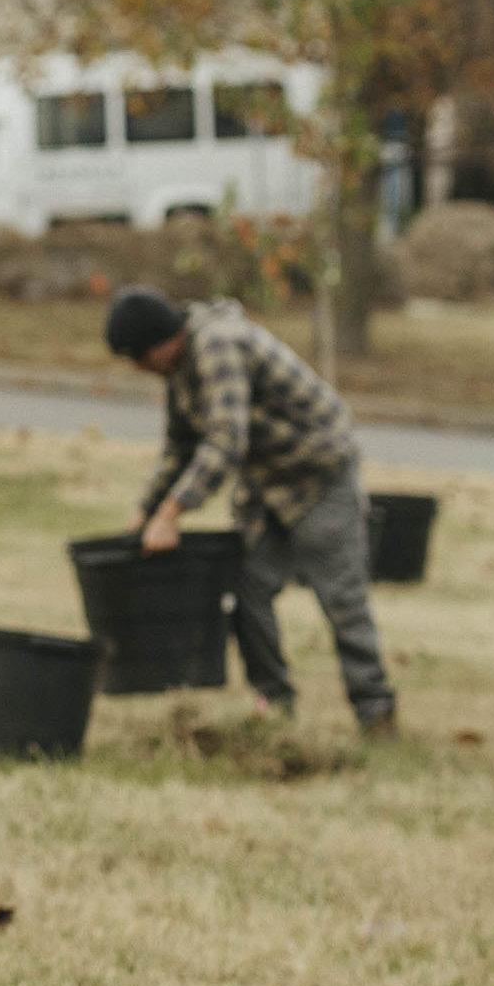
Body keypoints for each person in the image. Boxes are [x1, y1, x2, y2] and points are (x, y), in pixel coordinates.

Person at [103, 286, 396, 734]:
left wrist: (172, 514)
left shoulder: (217, 344)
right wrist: (145, 511)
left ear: (159, 342)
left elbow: (226, 440)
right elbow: (179, 448)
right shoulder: (180, 370)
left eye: (137, 358)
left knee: (342, 599)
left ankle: (375, 711)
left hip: (318, 474)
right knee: (245, 591)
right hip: (264, 483)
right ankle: (274, 708)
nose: (138, 369)